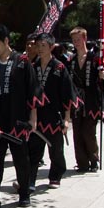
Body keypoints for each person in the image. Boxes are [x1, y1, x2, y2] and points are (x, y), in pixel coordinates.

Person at [0, 23, 39, 208]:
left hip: (18, 118)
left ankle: (24, 193)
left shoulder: (22, 62)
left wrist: (33, 119)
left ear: (6, 41)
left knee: (20, 158)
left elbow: (32, 91)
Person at [28, 33, 77, 189]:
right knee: (33, 150)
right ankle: (29, 181)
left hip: (54, 115)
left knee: (56, 150)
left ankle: (55, 175)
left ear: (51, 47)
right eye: (38, 45)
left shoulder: (59, 67)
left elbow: (67, 94)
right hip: (37, 115)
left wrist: (67, 118)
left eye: (43, 45)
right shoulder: (33, 67)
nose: (40, 49)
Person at [68, 27, 104, 172]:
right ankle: (82, 162)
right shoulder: (71, 60)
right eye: (74, 40)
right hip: (76, 100)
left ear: (84, 38)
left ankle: (94, 159)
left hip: (91, 100)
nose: (76, 42)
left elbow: (102, 83)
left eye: (78, 39)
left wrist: (103, 77)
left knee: (88, 132)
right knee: (77, 132)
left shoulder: (95, 58)